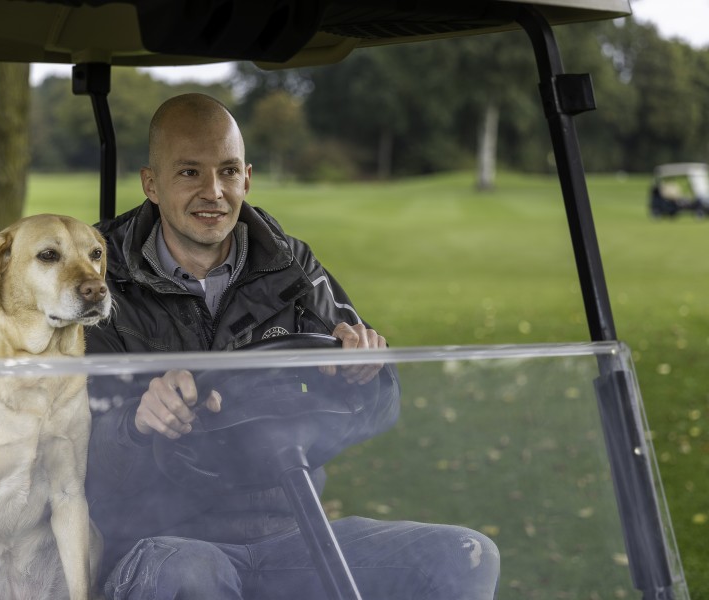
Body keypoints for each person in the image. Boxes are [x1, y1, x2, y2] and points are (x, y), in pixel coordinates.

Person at [84, 93, 500, 599]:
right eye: (190, 173)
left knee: (464, 556)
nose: (213, 192)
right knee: (187, 575)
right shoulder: (100, 282)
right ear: (152, 183)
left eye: (228, 171)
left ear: (248, 178)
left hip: (289, 533)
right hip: (164, 539)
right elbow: (72, 447)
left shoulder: (291, 266)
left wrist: (362, 373)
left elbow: (383, 404)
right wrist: (136, 422)